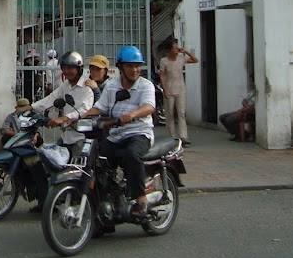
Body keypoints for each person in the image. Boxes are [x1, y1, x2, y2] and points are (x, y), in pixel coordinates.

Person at [76, 45, 156, 219]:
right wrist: (77, 117)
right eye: (130, 66)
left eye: (137, 66)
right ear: (120, 67)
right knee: (98, 158)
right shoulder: (112, 85)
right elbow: (100, 107)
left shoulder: (146, 85)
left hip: (139, 133)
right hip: (116, 134)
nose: (134, 70)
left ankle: (141, 200)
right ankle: (109, 199)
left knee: (132, 154)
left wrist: (132, 115)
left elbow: (149, 107)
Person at [33, 51, 95, 153]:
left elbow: (84, 109)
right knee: (50, 157)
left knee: (77, 162)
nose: (66, 71)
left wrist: (64, 118)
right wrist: (31, 107)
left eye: (70, 68)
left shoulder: (86, 87)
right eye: (64, 68)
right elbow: (52, 98)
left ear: (79, 69)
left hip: (82, 136)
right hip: (67, 135)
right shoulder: (66, 85)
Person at [158, 39, 198, 147]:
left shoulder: (181, 58)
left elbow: (195, 60)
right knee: (170, 114)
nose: (177, 50)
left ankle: (183, 136)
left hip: (180, 89)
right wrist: (164, 89)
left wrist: (186, 51)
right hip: (169, 89)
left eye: (177, 47)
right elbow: (162, 75)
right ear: (169, 50)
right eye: (175, 48)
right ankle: (171, 137)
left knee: (181, 113)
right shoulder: (164, 61)